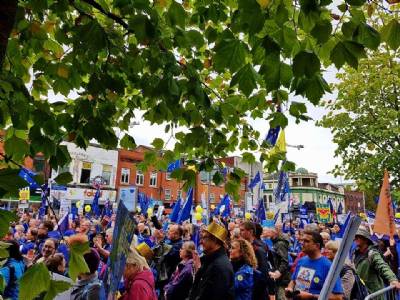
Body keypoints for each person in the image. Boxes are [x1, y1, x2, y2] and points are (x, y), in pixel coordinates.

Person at [285, 230, 343, 300]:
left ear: (317, 245)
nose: (302, 243)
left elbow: (338, 297)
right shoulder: (301, 261)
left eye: (307, 241)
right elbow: (293, 281)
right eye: (302, 240)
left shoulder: (328, 266)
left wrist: (311, 296)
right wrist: (290, 289)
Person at [189, 222, 234, 300]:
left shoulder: (219, 267)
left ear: (214, 240)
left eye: (204, 238)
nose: (200, 242)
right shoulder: (211, 261)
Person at [352, 226, 400, 294]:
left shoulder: (372, 253)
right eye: (355, 236)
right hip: (360, 290)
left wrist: (393, 279)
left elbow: (383, 266)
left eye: (359, 236)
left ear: (365, 239)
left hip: (373, 292)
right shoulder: (355, 253)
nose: (356, 238)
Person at [240, 221, 273, 300]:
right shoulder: (242, 247)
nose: (240, 232)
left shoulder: (258, 249)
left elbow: (263, 275)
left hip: (256, 292)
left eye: (242, 230)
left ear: (250, 232)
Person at [264, 225, 291, 300]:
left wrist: (279, 272)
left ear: (274, 233)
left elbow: (284, 261)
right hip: (279, 276)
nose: (268, 233)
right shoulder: (275, 242)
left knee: (281, 296)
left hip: (283, 278)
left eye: (269, 231)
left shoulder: (280, 244)